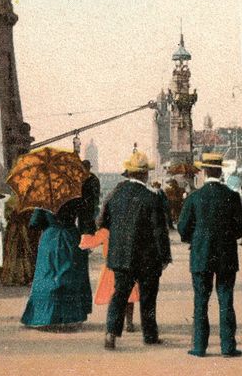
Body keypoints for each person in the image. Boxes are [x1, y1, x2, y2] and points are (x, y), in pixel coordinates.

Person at [98, 150, 171, 350]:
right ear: (145, 174)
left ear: (129, 173)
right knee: (148, 297)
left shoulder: (114, 195)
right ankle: (149, 336)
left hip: (121, 256)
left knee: (119, 294)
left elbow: (102, 221)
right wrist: (165, 256)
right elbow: (159, 231)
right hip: (148, 258)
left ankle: (110, 333)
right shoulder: (151, 198)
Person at [178, 153, 242, 358]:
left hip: (200, 255)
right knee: (226, 299)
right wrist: (227, 237)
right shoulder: (232, 196)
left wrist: (196, 238)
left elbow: (182, 227)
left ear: (204, 171)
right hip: (226, 255)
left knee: (201, 300)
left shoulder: (194, 197)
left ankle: (199, 347)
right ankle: (228, 347)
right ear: (220, 171)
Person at [21, 199, 92, 329]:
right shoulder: (75, 198)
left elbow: (35, 223)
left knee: (47, 275)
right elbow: (86, 222)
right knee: (69, 275)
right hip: (70, 237)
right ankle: (69, 317)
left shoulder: (44, 198)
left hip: (50, 239)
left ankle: (43, 316)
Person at [80, 226, 138, 333]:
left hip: (111, 267)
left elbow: (92, 241)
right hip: (127, 265)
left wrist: (83, 236)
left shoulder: (105, 231)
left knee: (114, 295)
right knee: (129, 295)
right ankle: (129, 322)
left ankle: (115, 322)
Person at [0, 195, 37, 286]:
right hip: (19, 231)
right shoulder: (28, 203)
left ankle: (18, 276)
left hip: (19, 230)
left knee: (19, 253)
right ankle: (24, 276)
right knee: (21, 252)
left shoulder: (14, 201)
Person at [78, 160, 100, 235]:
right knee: (83, 227)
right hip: (83, 207)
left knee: (89, 227)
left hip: (89, 207)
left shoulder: (92, 179)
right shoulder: (83, 178)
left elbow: (96, 194)